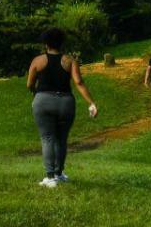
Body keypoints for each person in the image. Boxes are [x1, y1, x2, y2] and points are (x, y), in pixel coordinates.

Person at [26, 28, 98, 189]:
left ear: (46, 44)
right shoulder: (70, 61)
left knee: (47, 139)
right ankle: (60, 173)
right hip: (66, 102)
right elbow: (79, 82)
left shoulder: (38, 61)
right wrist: (91, 103)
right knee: (61, 139)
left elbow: (29, 84)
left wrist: (35, 94)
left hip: (43, 101)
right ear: (62, 43)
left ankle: (50, 177)